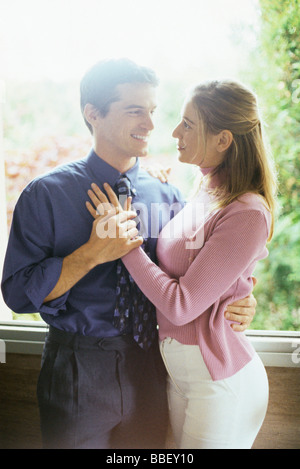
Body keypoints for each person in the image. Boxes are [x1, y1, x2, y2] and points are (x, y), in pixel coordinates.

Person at [1, 59, 257, 449]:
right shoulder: (46, 195)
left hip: (152, 368)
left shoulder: (169, 196)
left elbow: (202, 272)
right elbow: (17, 295)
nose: (152, 125)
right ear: (93, 114)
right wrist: (90, 254)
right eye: (135, 110)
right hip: (76, 369)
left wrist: (240, 296)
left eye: (152, 110)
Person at [86, 79, 277, 449]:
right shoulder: (205, 190)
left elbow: (182, 303)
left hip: (219, 379)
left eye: (188, 124)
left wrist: (125, 244)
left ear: (223, 140)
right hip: (183, 375)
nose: (174, 132)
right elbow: (202, 267)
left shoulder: (248, 212)